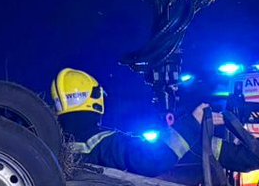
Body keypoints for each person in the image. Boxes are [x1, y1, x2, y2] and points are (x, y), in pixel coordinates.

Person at [50, 66, 187, 175]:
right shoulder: (105, 144)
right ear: (95, 98)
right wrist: (191, 125)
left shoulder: (52, 144)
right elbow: (153, 161)